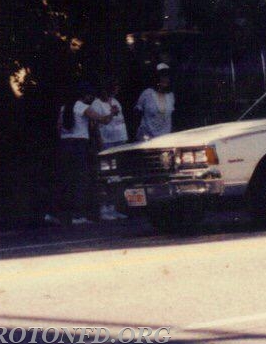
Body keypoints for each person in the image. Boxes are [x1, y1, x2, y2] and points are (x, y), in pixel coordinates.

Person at [53, 83, 117, 225]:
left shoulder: (64, 108)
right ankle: (78, 215)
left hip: (65, 144)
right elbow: (104, 120)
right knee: (80, 179)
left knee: (65, 179)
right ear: (84, 96)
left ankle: (58, 214)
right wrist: (112, 112)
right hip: (79, 144)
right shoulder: (82, 107)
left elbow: (58, 127)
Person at [90, 77, 128, 220]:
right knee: (106, 177)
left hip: (120, 139)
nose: (116, 91)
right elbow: (97, 124)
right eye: (114, 88)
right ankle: (104, 209)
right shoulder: (97, 103)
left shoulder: (115, 101)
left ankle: (114, 207)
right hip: (107, 142)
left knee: (117, 177)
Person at [135, 63, 175, 141]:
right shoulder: (147, 94)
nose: (165, 79)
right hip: (147, 138)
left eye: (167, 77)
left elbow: (170, 118)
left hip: (165, 138)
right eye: (162, 76)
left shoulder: (170, 95)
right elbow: (137, 114)